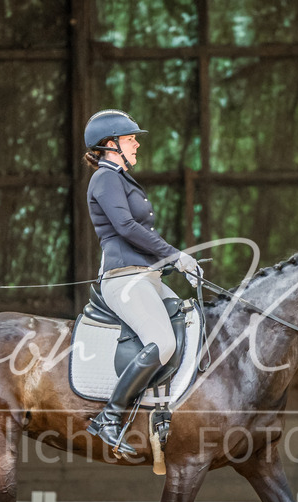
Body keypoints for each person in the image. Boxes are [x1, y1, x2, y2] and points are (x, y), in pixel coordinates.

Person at [82, 109, 202, 457]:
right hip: (124, 279)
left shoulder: (120, 178)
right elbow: (127, 228)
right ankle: (109, 418)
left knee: (191, 320)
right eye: (130, 138)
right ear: (111, 144)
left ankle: (163, 408)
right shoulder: (105, 179)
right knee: (162, 342)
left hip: (145, 276)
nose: (136, 144)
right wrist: (175, 256)